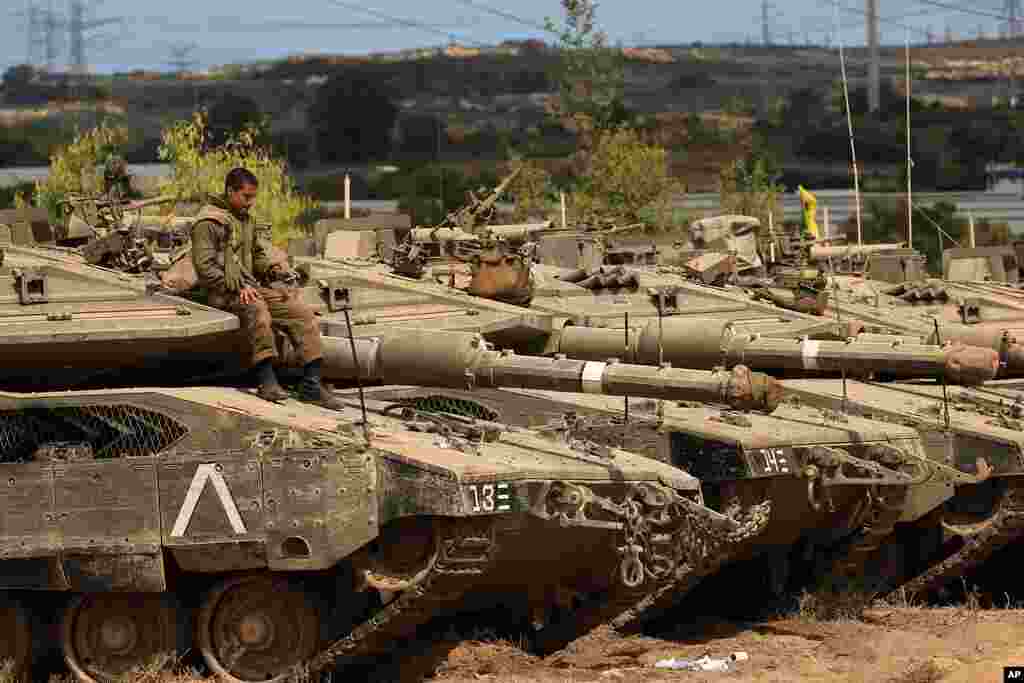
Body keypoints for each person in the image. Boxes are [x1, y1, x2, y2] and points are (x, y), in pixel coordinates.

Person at [191, 167, 343, 409]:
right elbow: (204, 268)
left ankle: (312, 384)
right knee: (258, 309)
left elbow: (256, 256)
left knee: (301, 313)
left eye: (253, 197)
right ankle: (266, 380)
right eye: (246, 197)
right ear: (230, 191)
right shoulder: (208, 222)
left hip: (249, 285)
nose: (250, 203)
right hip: (220, 292)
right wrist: (234, 288)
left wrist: (274, 271)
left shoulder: (245, 219)